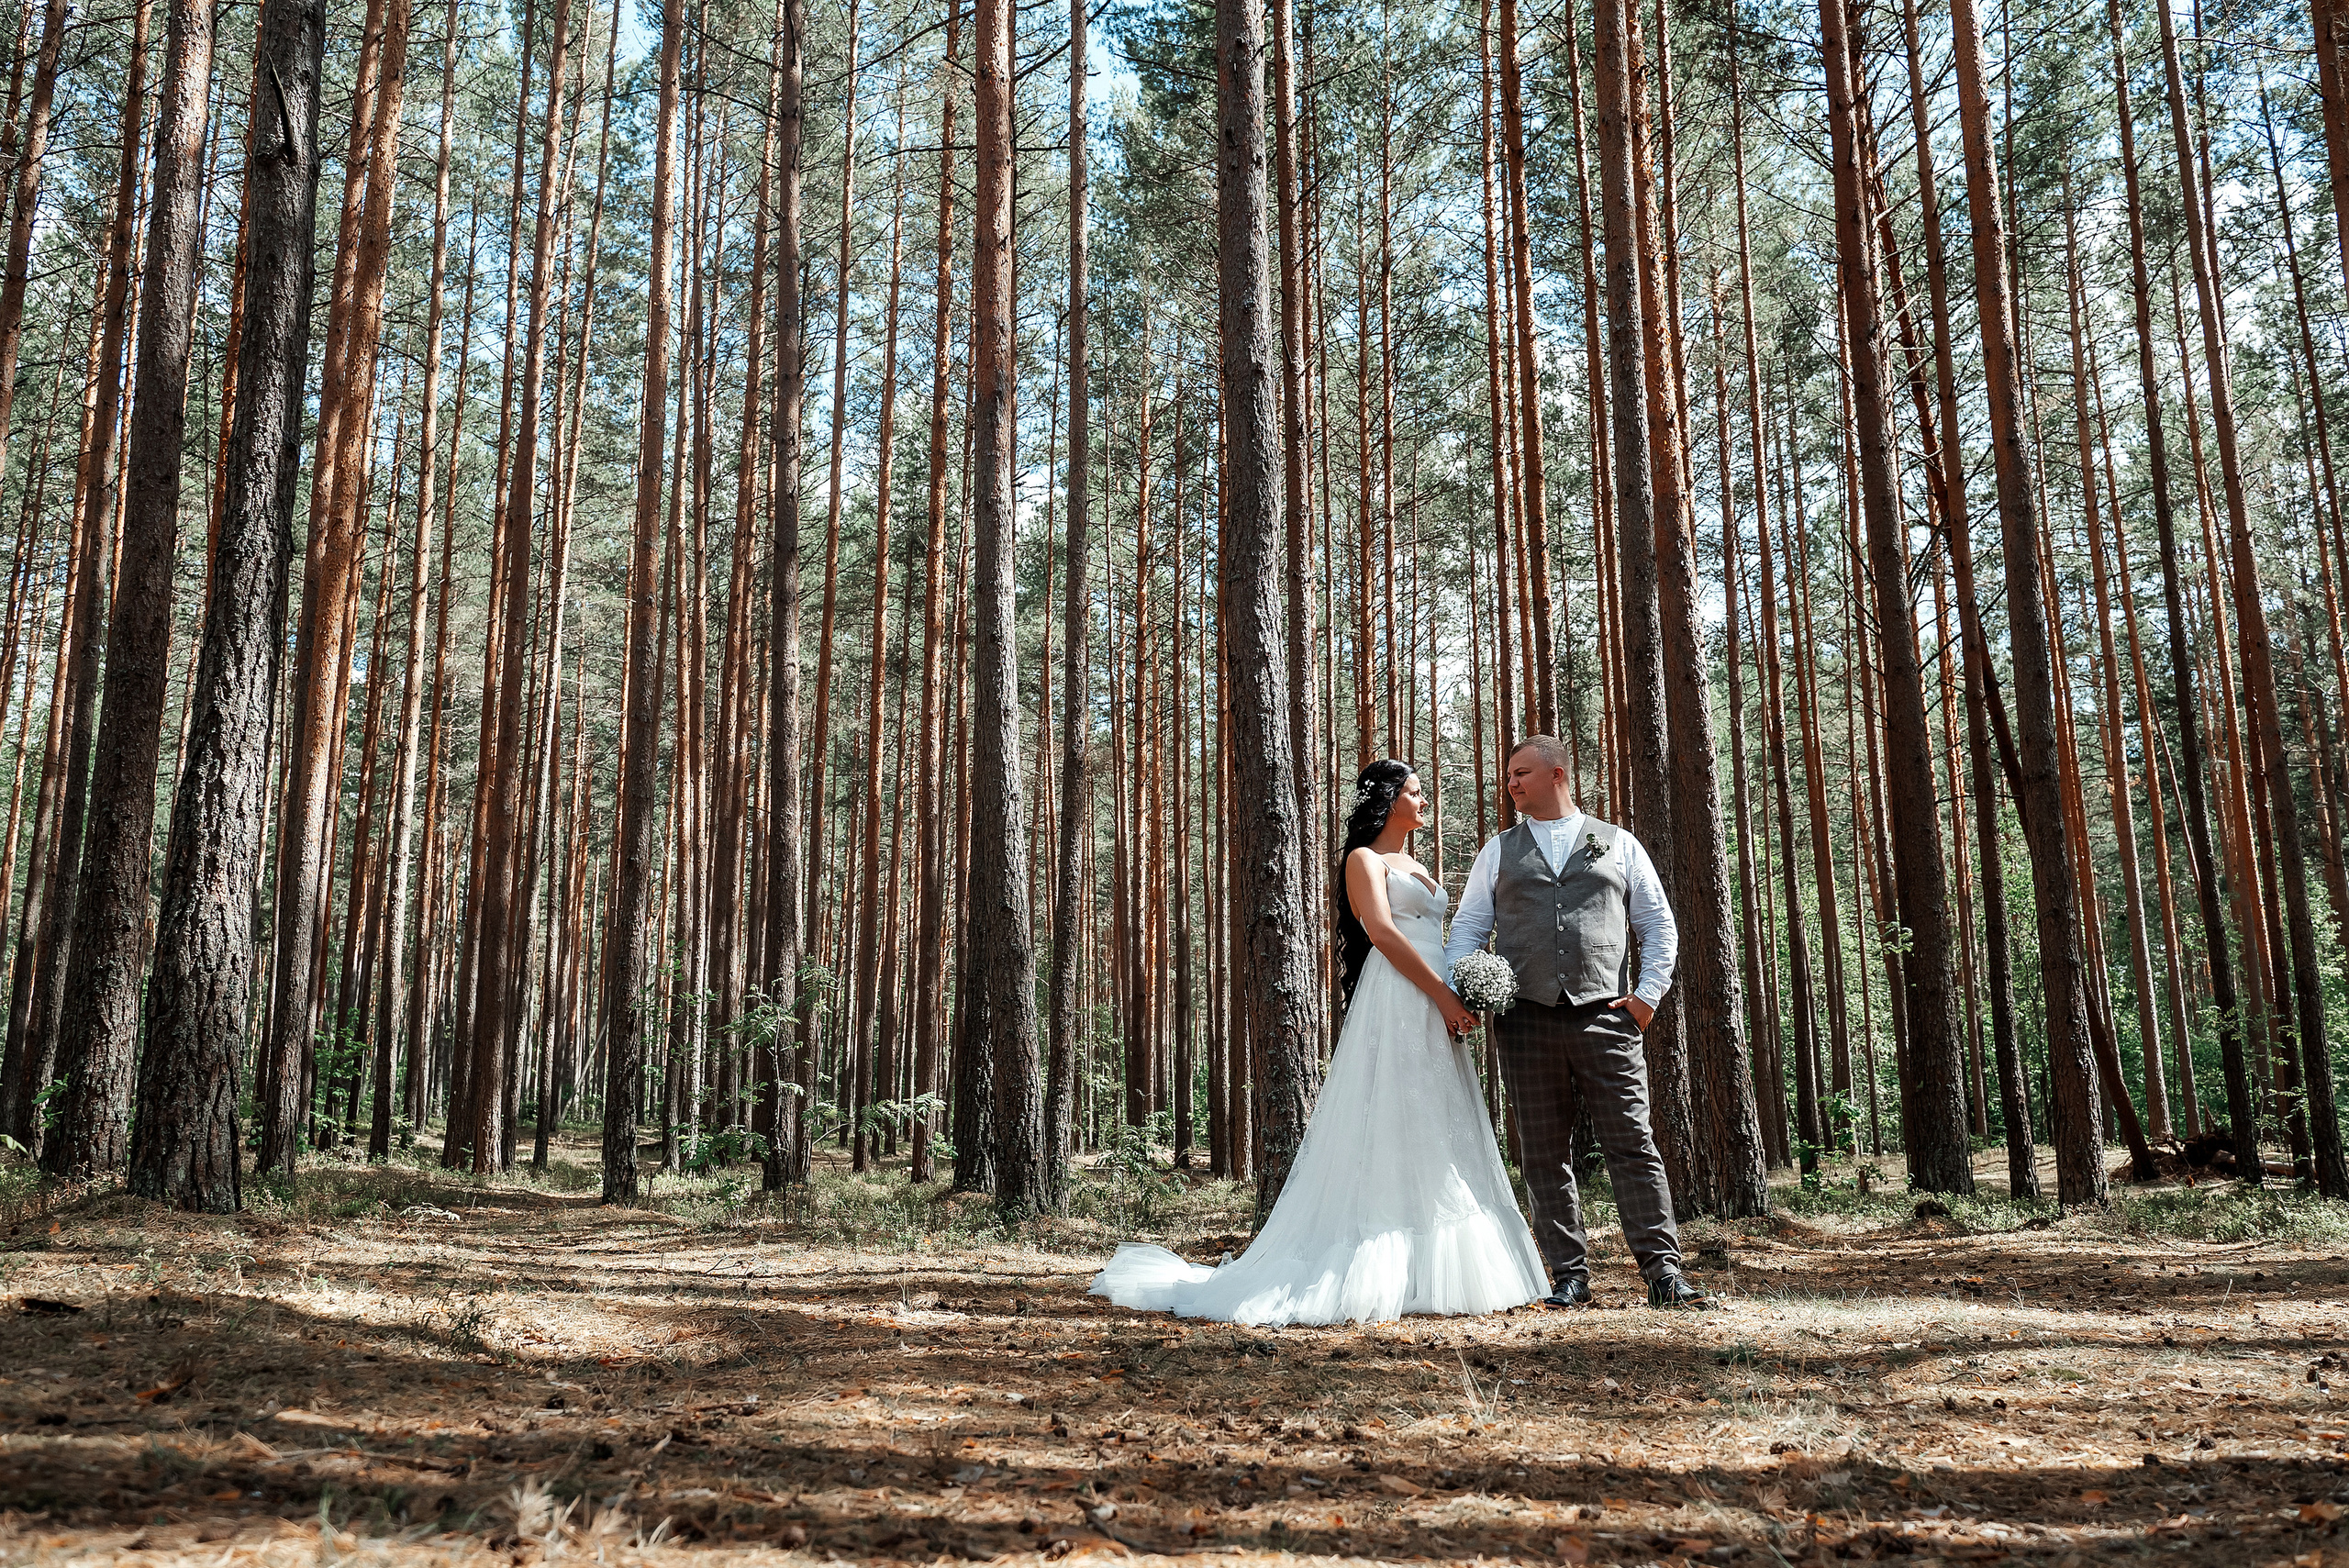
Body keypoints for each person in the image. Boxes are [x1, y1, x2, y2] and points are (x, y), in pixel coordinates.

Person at [1088, 760, 1546, 1326]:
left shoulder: (1418, 865)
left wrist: (1463, 989)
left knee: (1435, 1116)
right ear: (1388, 800)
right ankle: (1379, 1252)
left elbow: (1439, 934)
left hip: (1437, 996)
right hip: (1400, 993)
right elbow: (1383, 934)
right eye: (1414, 792)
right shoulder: (1363, 860)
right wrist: (1441, 995)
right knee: (1390, 1113)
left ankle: (1430, 1261)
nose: (1424, 801)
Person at [1444, 735, 1708, 1308]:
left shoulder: (1618, 843)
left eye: (1521, 773)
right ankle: (1568, 1276)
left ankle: (1664, 1274)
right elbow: (1467, 930)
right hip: (1524, 1020)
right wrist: (1464, 990)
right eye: (1509, 775)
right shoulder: (1498, 851)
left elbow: (1658, 924)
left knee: (1632, 1144)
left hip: (1607, 1019)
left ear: (1557, 774)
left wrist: (1646, 998)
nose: (1511, 783)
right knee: (1543, 1153)